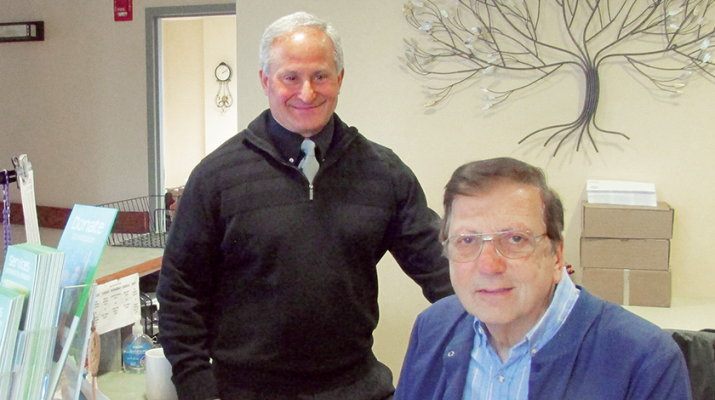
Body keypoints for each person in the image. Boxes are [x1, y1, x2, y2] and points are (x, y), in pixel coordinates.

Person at [156, 11, 453, 400]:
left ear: (340, 79)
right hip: (243, 391)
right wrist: (195, 383)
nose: (307, 92)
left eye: (321, 76)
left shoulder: (384, 172)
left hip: (356, 387)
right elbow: (180, 292)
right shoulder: (216, 177)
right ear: (265, 80)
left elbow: (443, 272)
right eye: (290, 77)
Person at [394, 157, 692, 400]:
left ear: (557, 255)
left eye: (515, 239)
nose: (488, 265)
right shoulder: (432, 329)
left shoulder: (645, 360)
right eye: (467, 241)